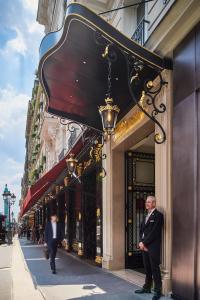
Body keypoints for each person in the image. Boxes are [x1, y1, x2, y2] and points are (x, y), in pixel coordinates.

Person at [135, 196, 164, 300]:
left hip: (153, 247)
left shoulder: (158, 216)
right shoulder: (145, 215)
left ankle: (157, 291)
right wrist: (141, 242)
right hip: (144, 246)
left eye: (149, 202)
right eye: (146, 202)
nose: (146, 204)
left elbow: (154, 233)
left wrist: (144, 243)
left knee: (155, 269)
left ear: (154, 203)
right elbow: (141, 231)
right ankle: (147, 287)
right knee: (147, 269)